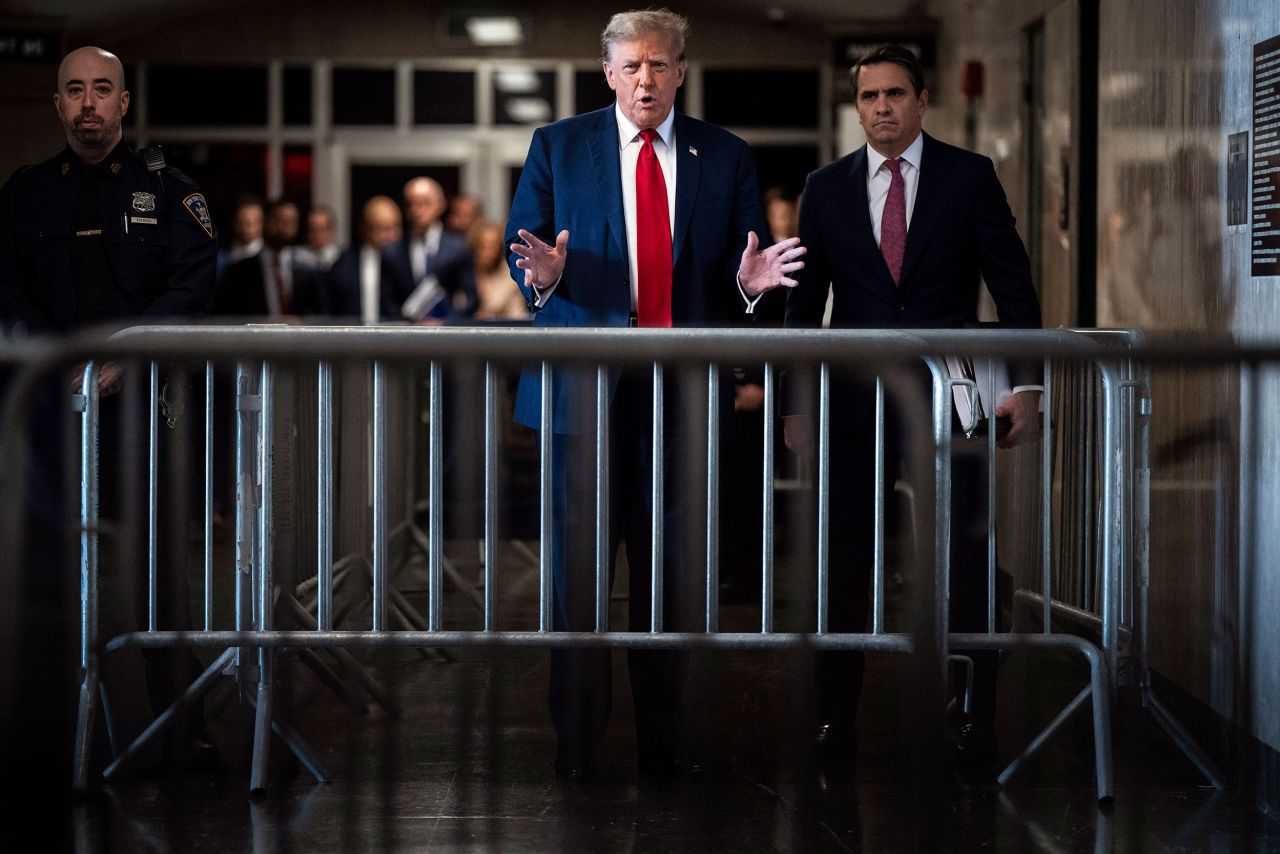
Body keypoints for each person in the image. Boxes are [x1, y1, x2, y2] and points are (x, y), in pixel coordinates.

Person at [505, 8, 804, 780]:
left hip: (682, 399)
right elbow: (525, 250)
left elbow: (746, 273)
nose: (646, 78)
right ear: (607, 73)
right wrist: (540, 278)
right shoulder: (558, 147)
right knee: (577, 585)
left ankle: (665, 745)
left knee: (672, 582)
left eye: (661, 65)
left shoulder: (725, 154)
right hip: (584, 395)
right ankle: (577, 744)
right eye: (631, 65)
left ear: (680, 73)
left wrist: (748, 289)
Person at [782, 44, 1043, 767]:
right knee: (846, 552)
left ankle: (973, 711)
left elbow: (1012, 286)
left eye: (896, 94)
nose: (883, 108)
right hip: (852, 396)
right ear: (857, 106)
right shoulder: (826, 187)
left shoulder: (968, 177)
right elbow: (805, 307)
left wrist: (1027, 383)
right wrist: (797, 402)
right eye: (869, 97)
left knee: (965, 549)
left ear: (924, 101)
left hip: (949, 391)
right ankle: (836, 718)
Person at [0, 45, 219, 772]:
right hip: (51, 412)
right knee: (46, 572)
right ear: (57, 104)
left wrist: (128, 353)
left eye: (102, 90)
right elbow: (9, 294)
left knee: (159, 575)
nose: (88, 104)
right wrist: (58, 364)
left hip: (141, 413)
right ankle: (47, 734)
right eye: (74, 91)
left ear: (124, 103)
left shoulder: (172, 191)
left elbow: (192, 287)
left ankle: (175, 732)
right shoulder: (25, 193)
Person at [216, 197, 325, 317]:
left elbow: (320, 315)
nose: (284, 227)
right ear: (265, 221)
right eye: (279, 220)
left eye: (291, 222)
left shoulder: (308, 270)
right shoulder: (239, 272)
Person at [389, 177, 477, 321]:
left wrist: (445, 323)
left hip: (447, 335)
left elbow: (470, 299)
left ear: (441, 203)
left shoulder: (459, 248)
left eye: (425, 203)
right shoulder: (393, 251)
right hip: (404, 334)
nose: (417, 210)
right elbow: (388, 302)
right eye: (411, 204)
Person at [325, 195, 413, 323]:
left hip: (396, 337)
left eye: (395, 227)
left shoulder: (407, 261)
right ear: (366, 228)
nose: (390, 235)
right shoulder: (344, 264)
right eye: (383, 229)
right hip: (353, 337)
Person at [470, 220, 528, 320]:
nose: (488, 252)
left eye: (493, 246)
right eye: (483, 246)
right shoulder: (467, 272)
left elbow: (498, 305)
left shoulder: (511, 273)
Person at [216, 195, 264, 281]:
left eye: (252, 223)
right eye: (241, 222)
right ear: (233, 223)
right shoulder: (221, 259)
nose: (247, 228)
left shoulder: (270, 258)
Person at [297, 204, 342, 271]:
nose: (316, 235)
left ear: (331, 229)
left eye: (321, 229)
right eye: (312, 229)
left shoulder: (341, 257)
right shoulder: (297, 258)